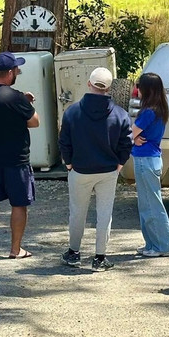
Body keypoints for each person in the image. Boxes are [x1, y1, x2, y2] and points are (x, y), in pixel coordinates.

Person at [58, 66, 133, 271]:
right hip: (108, 171)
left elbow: (64, 141)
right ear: (109, 88)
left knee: (77, 212)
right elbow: (127, 142)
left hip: (80, 170)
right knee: (104, 214)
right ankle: (100, 258)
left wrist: (69, 163)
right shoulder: (120, 114)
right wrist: (119, 163)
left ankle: (74, 252)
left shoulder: (72, 111)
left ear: (89, 84)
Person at [0, 52, 40, 259]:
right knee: (19, 204)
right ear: (10, 72)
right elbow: (34, 122)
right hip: (15, 159)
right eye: (17, 70)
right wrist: (27, 103)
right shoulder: (16, 97)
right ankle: (15, 248)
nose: (18, 72)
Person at [131, 72, 169, 257]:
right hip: (151, 158)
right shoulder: (159, 108)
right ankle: (152, 244)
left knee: (151, 205)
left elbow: (130, 132)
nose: (136, 90)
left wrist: (133, 139)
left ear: (146, 89)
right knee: (147, 205)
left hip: (145, 160)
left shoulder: (149, 112)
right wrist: (134, 139)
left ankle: (163, 246)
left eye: (139, 86)